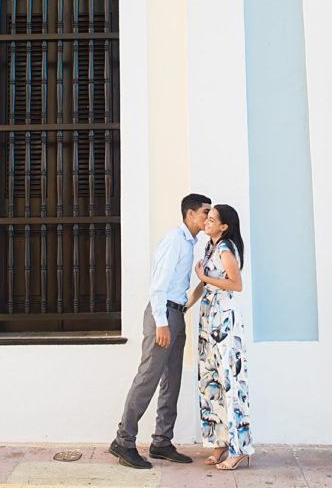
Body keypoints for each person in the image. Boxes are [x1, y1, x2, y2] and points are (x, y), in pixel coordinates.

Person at [110, 193, 211, 470]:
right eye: (205, 212)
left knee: (172, 381)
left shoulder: (191, 244)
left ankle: (161, 441)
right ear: (190, 214)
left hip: (176, 314)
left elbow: (179, 286)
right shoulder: (174, 241)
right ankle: (124, 441)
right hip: (163, 315)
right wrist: (162, 321)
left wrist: (184, 309)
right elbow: (158, 284)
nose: (208, 217)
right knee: (147, 379)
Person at [188, 203, 254, 471]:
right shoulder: (209, 247)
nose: (207, 222)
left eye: (212, 219)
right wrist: (186, 304)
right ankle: (220, 442)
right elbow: (203, 284)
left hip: (225, 319)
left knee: (231, 381)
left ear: (224, 226)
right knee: (210, 380)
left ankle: (240, 448)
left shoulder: (226, 248)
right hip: (208, 318)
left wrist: (204, 276)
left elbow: (236, 284)